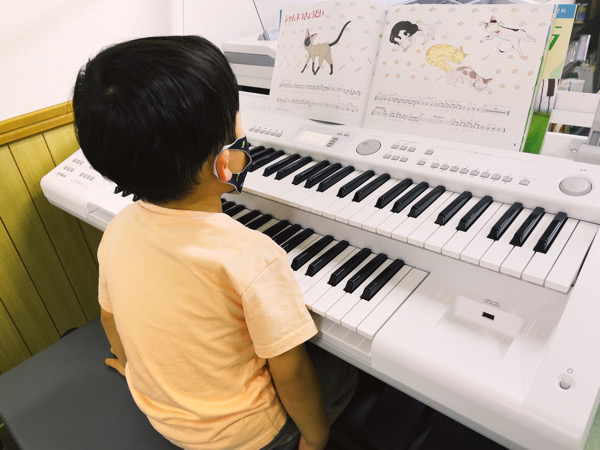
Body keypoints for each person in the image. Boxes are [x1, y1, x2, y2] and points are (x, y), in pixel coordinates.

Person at [72, 35, 357, 450]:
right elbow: (291, 372)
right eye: (238, 122)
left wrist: (134, 369)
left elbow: (110, 318)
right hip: (249, 437)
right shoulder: (252, 256)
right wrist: (315, 439)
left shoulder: (120, 228)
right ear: (225, 163)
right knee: (344, 369)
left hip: (164, 415)